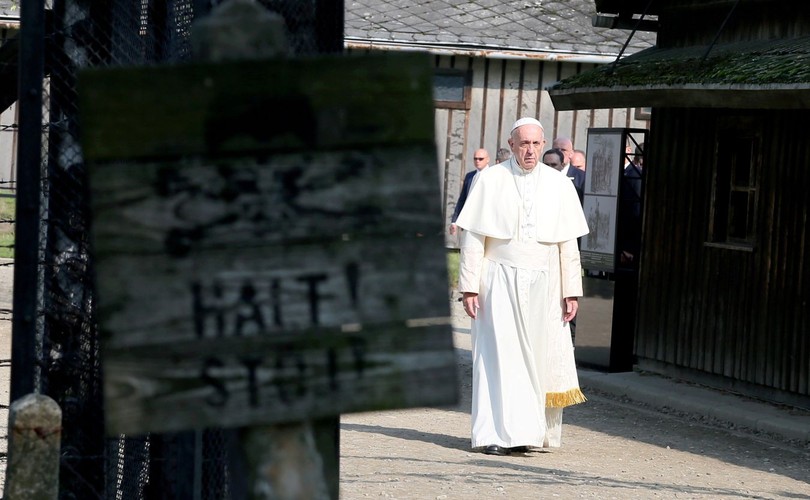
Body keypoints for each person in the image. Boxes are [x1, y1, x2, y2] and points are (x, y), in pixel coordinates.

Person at [455, 117, 589, 456]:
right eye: (523, 143)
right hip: (498, 280)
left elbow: (567, 244)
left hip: (545, 284)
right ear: (512, 145)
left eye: (535, 144)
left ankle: (528, 432)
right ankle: (496, 435)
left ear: (544, 146)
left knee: (536, 358)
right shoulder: (490, 179)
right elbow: (473, 237)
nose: (529, 150)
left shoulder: (560, 186)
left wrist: (570, 290)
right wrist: (469, 286)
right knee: (500, 358)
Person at [449, 148, 489, 236]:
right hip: (470, 221)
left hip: (487, 222)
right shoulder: (470, 176)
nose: (477, 161)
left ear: (487, 159)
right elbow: (462, 199)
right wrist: (454, 221)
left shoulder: (493, 176)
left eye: (480, 159)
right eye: (475, 159)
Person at [552, 136, 585, 202]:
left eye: (563, 150)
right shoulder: (543, 174)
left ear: (571, 154)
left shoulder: (582, 177)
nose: (560, 153)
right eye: (556, 150)